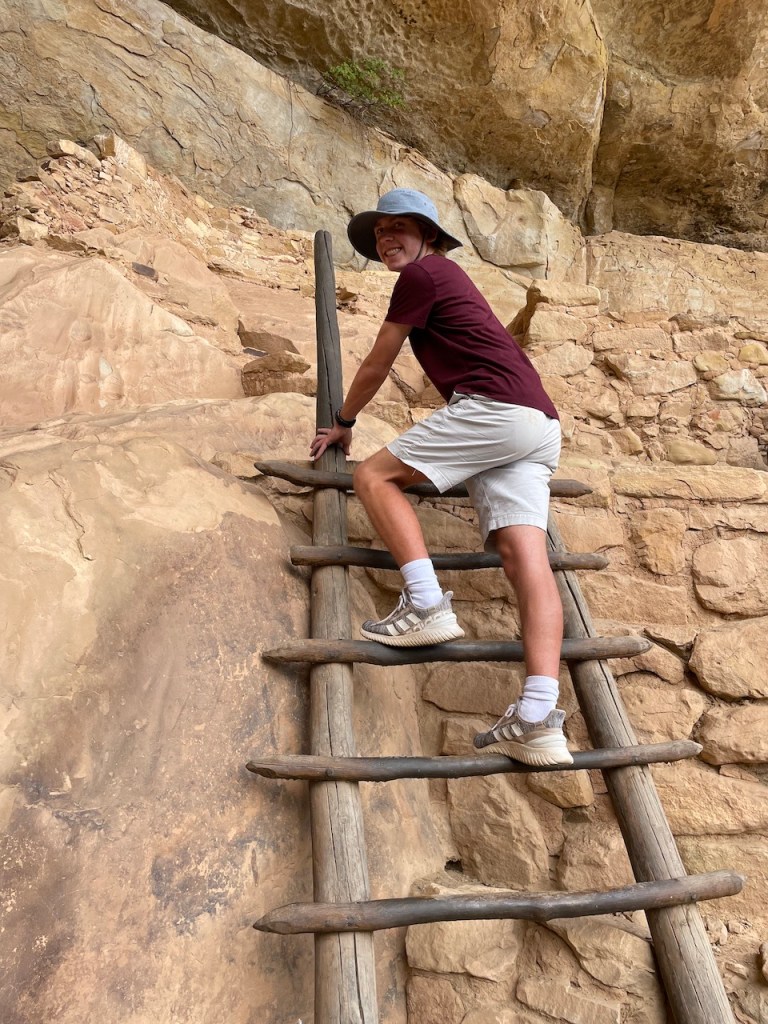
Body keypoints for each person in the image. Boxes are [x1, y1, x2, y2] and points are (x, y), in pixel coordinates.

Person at [310, 188, 571, 767]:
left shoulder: (425, 274)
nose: (386, 240)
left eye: (398, 228)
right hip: (538, 421)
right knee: (522, 555)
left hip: (496, 409)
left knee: (375, 477)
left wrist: (344, 422)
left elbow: (381, 358)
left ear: (429, 234)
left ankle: (425, 604)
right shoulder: (446, 277)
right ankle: (538, 713)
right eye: (379, 234)